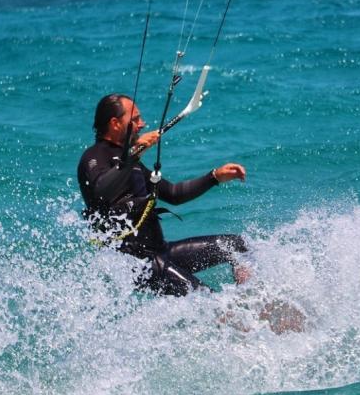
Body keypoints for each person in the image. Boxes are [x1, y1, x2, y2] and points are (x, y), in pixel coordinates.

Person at [77, 93, 250, 296]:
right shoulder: (94, 157)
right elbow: (101, 189)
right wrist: (134, 153)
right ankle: (237, 314)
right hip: (138, 264)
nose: (142, 124)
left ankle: (253, 300)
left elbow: (174, 194)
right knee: (209, 300)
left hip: (161, 251)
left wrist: (214, 177)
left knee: (236, 246)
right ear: (115, 123)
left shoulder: (132, 163)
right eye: (135, 119)